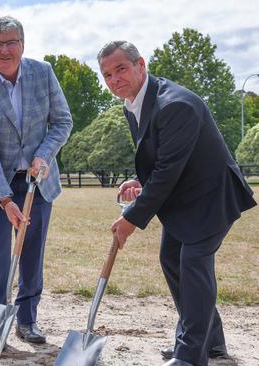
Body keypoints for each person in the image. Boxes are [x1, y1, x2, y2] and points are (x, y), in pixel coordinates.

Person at [98, 41, 256, 366]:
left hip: (212, 197)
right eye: (107, 74)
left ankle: (189, 356)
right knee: (171, 257)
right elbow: (168, 158)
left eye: (121, 69)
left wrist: (130, 219)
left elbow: (169, 171)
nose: (114, 79)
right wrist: (141, 182)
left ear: (140, 65)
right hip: (185, 198)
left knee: (193, 263)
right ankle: (212, 345)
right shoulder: (137, 103)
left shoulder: (175, 104)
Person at [0, 16, 73, 344]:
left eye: (11, 42)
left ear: (22, 45)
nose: (5, 49)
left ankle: (27, 319)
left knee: (31, 252)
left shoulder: (44, 73)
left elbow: (62, 121)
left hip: (37, 180)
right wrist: (5, 200)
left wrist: (44, 154)